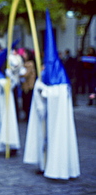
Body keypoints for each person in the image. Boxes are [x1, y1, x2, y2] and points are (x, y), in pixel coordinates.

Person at [23, 9, 80, 180]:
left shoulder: (61, 81)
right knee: (46, 139)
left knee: (58, 139)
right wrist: (41, 89)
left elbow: (57, 96)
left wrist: (44, 91)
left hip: (57, 119)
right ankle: (45, 164)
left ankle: (59, 169)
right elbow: (40, 97)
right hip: (47, 118)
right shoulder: (45, 77)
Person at [19, 48, 36, 121]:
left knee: (28, 101)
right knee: (25, 101)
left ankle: (29, 116)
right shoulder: (24, 64)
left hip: (29, 86)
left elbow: (26, 74)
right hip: (25, 85)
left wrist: (19, 74)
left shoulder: (29, 64)